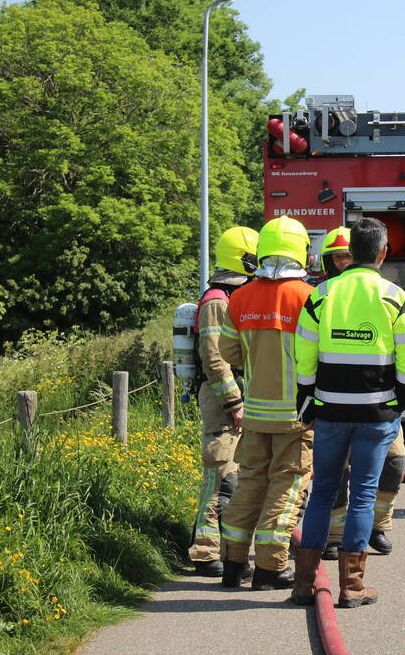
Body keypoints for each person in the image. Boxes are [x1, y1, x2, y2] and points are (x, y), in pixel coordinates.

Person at [291, 217, 405, 608]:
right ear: (383, 253)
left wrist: (307, 400)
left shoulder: (321, 295)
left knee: (323, 494)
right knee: (363, 495)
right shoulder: (396, 298)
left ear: (350, 253)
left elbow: (304, 353)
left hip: (329, 410)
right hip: (377, 414)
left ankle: (303, 585)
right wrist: (398, 401)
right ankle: (352, 587)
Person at [217, 216, 315, 589]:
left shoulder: (240, 296)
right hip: (296, 416)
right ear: (300, 250)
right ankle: (271, 569)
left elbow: (229, 352)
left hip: (255, 414)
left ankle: (232, 565)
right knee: (287, 488)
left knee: (249, 485)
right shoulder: (308, 297)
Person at [318, 226, 405, 559]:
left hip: (379, 402)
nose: (344, 263)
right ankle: (336, 534)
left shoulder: (388, 295)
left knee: (395, 462)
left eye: (348, 256)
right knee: (336, 472)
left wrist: (400, 398)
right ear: (328, 262)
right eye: (338, 258)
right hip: (333, 402)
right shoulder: (321, 296)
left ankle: (378, 525)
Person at [187, 226, 258, 577]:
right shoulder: (217, 300)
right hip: (222, 401)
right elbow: (215, 359)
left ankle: (228, 551)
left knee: (236, 479)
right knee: (220, 476)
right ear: (244, 258)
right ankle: (204, 552)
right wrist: (234, 402)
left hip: (235, 396)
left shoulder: (234, 295)